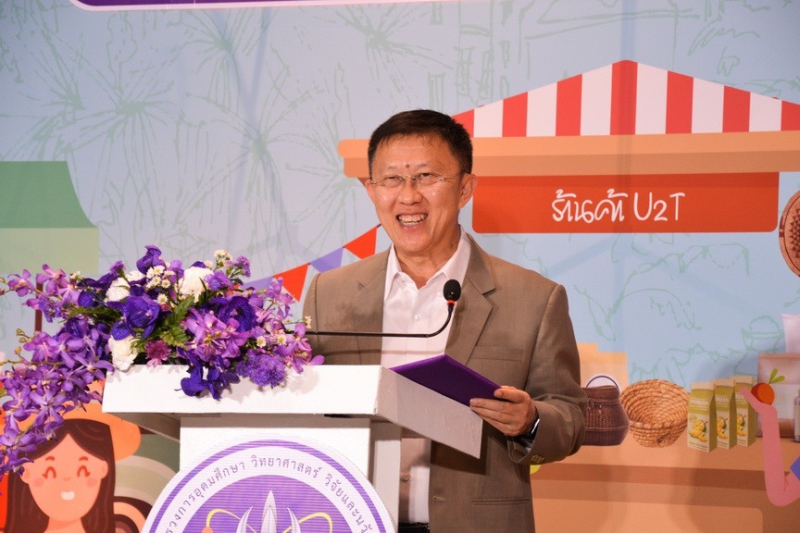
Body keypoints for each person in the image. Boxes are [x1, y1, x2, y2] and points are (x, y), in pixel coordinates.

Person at [303, 109, 586, 532]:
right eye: (392, 179)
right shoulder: (329, 292)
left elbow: (571, 418)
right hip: (351, 518)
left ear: (465, 188)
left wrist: (531, 421)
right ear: (371, 190)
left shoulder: (534, 298)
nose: (408, 197)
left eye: (426, 177)